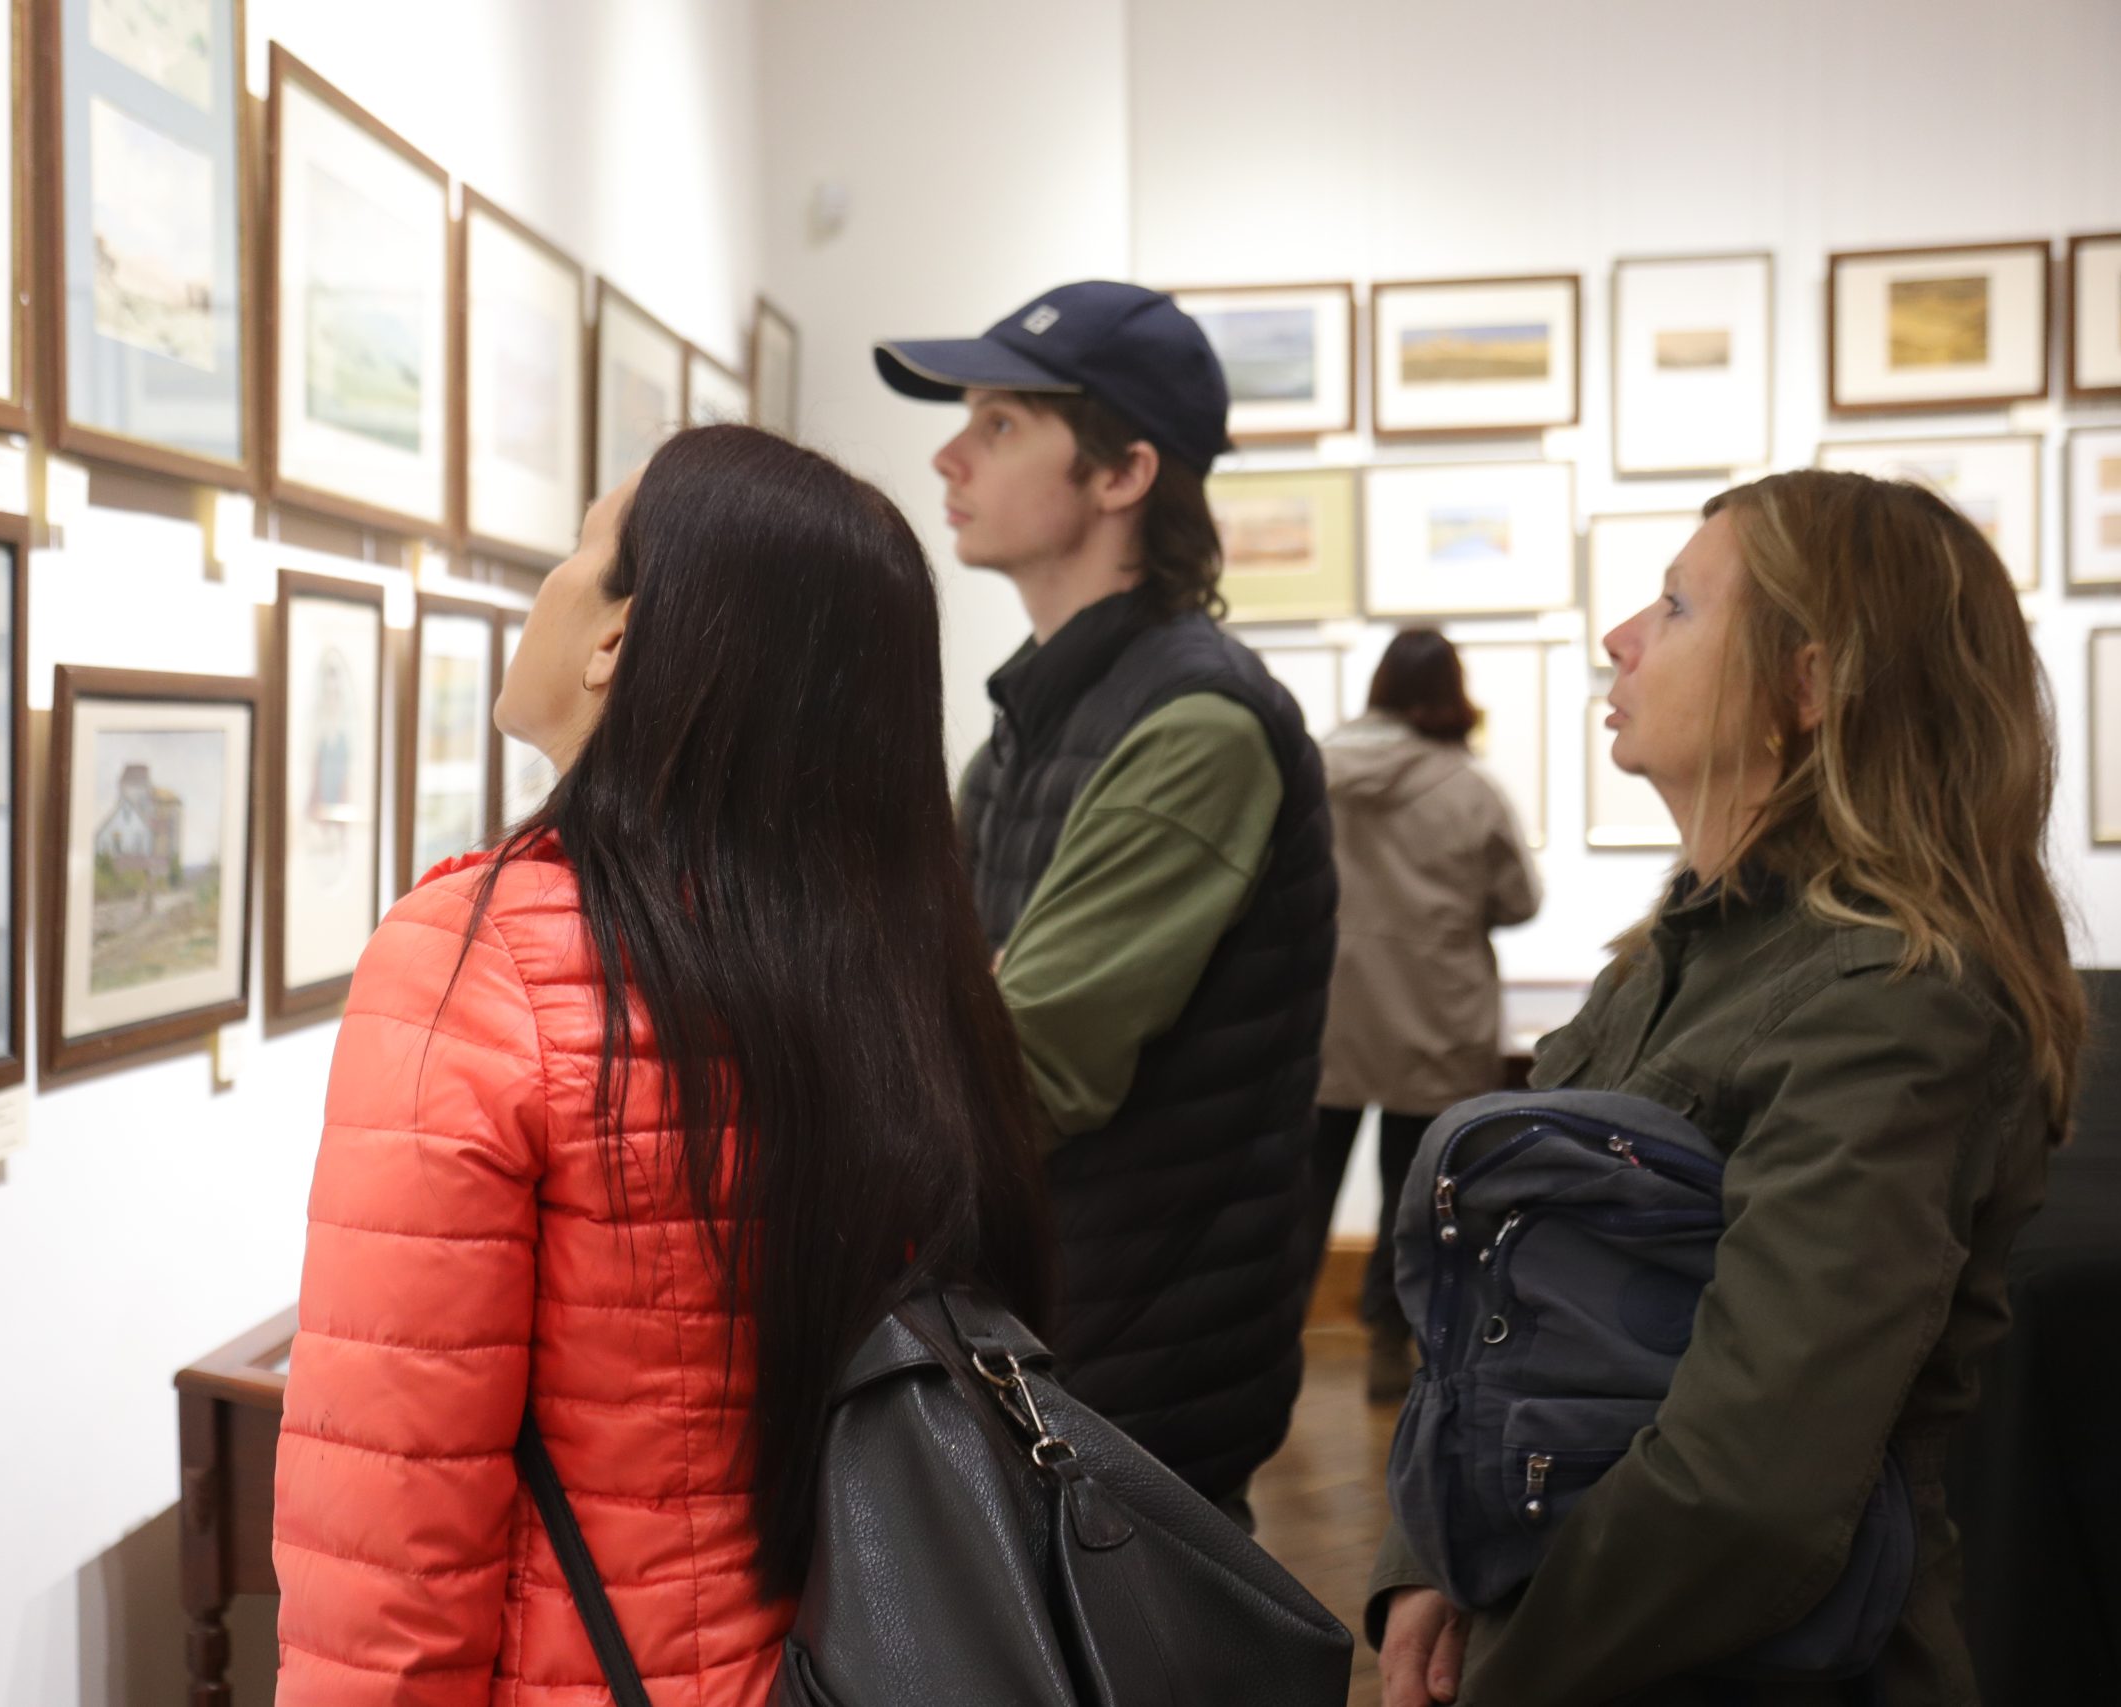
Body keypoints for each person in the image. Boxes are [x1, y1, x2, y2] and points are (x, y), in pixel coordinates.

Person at [270, 426, 1054, 1707]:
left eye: (576, 547)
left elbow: (393, 1517)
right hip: (867, 1667)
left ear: (616, 642)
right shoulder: (900, 956)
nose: (549, 582)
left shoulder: (479, 960)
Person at [1371, 470, 2084, 1707]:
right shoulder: (1669, 958)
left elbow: (1749, 1487)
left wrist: (1505, 1667)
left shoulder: (1893, 1002)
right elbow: (1498, 1313)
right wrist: (1429, 1555)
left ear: (1806, 686)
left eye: (1675, 606)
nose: (1619, 638)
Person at [875, 281, 1338, 1526]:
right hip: (1049, 1332)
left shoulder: (1196, 723)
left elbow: (1022, 1063)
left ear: (1124, 472)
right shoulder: (1035, 720)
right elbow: (919, 988)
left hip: (1130, 1372)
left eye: (1000, 424)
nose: (950, 456)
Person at [1306, 629, 1540, 1403]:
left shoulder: (1316, 773)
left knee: (1304, 1192)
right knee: (1415, 1196)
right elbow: (1519, 900)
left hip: (1330, 1013)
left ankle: (1270, 1348)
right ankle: (1388, 1340)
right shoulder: (1469, 790)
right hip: (1435, 1015)